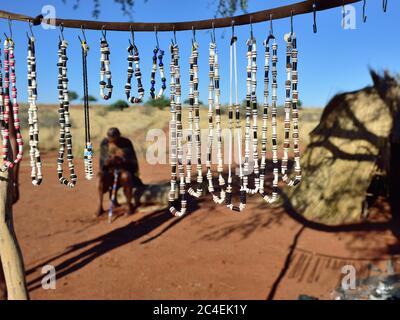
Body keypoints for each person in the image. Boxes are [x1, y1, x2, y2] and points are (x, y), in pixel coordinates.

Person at [96, 128, 145, 217]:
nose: (113, 141)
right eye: (111, 139)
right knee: (100, 177)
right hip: (110, 173)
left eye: (115, 139)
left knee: (126, 176)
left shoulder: (126, 143)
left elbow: (132, 161)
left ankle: (129, 205)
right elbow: (102, 163)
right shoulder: (105, 143)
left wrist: (122, 159)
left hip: (123, 172)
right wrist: (108, 162)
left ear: (119, 136)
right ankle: (100, 206)